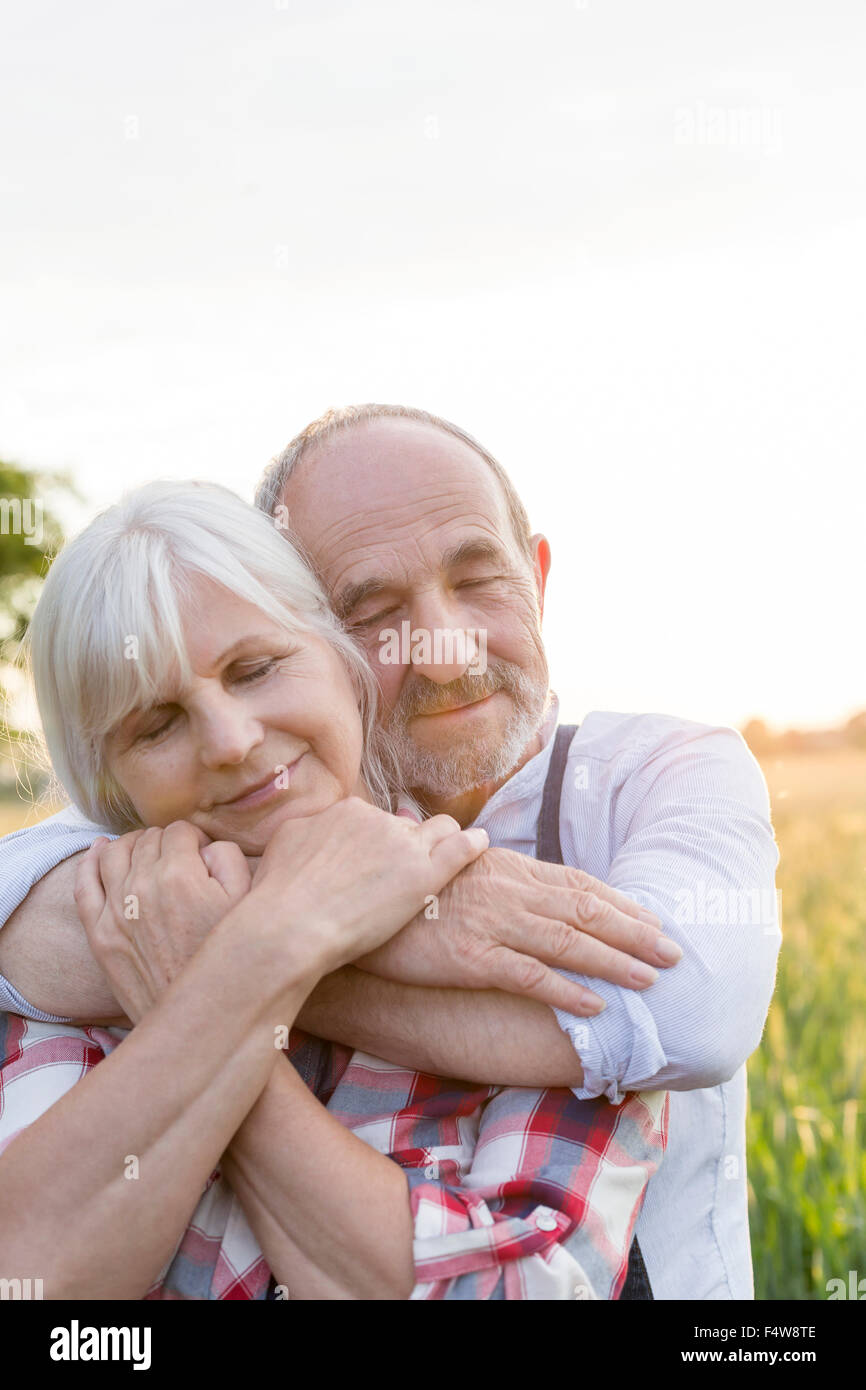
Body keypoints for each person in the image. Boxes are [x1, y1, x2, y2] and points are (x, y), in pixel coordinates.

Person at [0, 404, 780, 1298]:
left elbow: (679, 1013)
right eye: (375, 612)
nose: (445, 655)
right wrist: (293, 935)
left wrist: (257, 962)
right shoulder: (137, 873)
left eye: (479, 579)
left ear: (537, 576)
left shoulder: (605, 845)